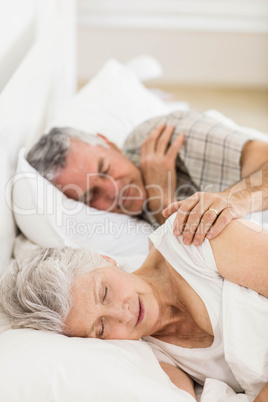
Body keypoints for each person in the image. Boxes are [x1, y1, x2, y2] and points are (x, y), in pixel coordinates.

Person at [1, 214, 267, 400]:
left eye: (104, 293)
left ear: (105, 259)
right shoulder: (148, 354)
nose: (122, 314)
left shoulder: (191, 238)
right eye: (101, 327)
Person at [26, 109, 268, 245]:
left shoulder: (167, 135)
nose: (114, 190)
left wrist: (233, 200)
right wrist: (160, 197)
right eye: (92, 194)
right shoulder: (117, 231)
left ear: (109, 144)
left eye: (105, 169)